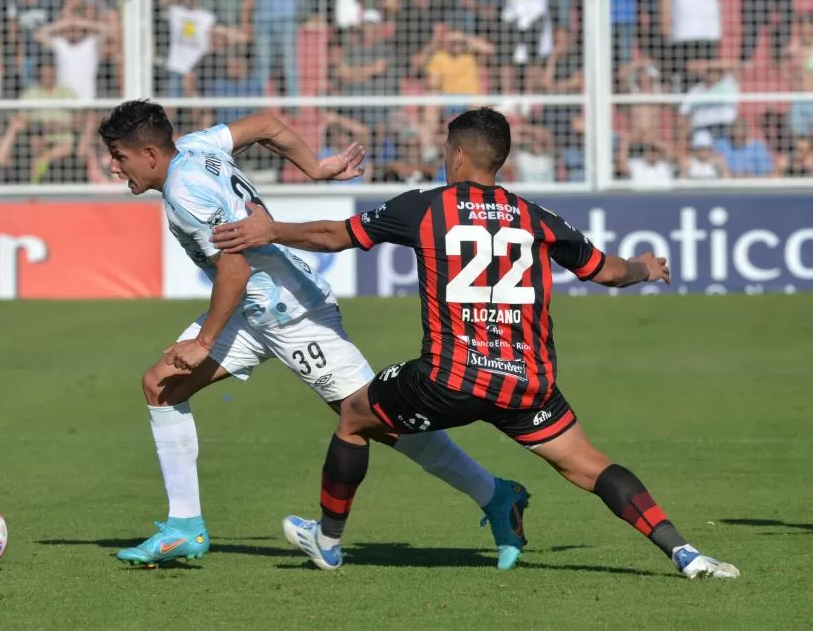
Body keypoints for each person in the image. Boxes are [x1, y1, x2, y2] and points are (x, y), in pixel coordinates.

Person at [212, 108, 740, 580]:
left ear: (459, 155)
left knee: (353, 417)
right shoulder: (534, 216)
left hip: (449, 379)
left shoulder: (424, 207)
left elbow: (334, 235)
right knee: (589, 465)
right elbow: (606, 271)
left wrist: (270, 230)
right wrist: (645, 268)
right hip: (526, 384)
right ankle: (685, 553)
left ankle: (326, 541)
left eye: (446, 151)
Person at [96, 100, 529, 568]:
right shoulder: (197, 146)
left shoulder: (185, 194)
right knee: (160, 385)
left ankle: (496, 494)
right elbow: (265, 124)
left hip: (292, 314)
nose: (115, 167)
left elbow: (235, 270)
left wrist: (203, 343)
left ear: (150, 153)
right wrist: (316, 168)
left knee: (376, 421)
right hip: (252, 309)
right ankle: (184, 526)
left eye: (119, 156)